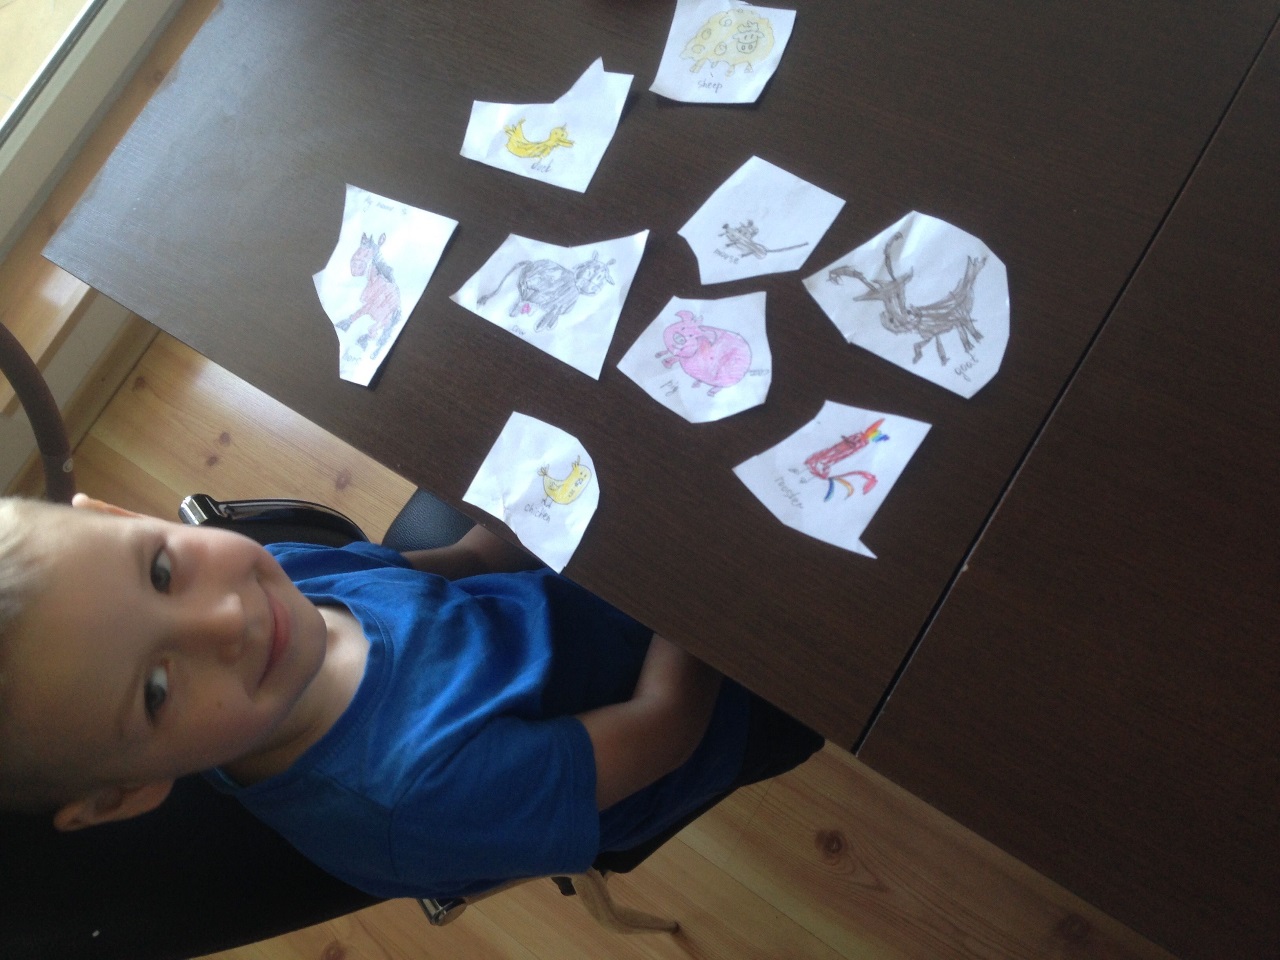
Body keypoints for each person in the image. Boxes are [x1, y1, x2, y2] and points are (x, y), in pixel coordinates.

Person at [0, 493, 821, 900]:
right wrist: (698, 569)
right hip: (720, 698)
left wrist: (558, 476)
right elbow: (665, 728)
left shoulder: (281, 582)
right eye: (154, 689)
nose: (226, 620)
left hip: (611, 593)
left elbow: (471, 560)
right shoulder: (416, 802)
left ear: (121, 512)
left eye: (161, 571)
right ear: (124, 793)